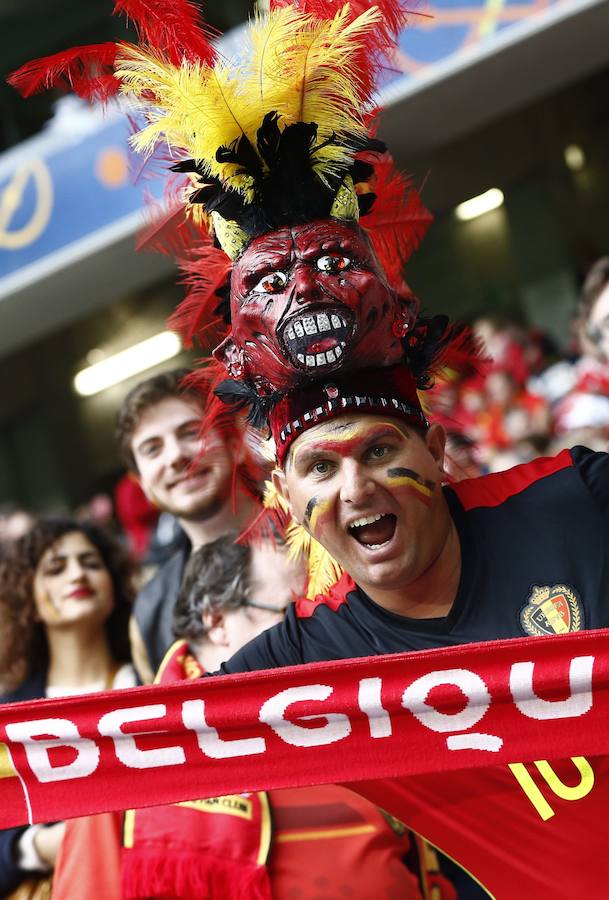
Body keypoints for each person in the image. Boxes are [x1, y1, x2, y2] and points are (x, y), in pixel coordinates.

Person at [53, 536, 446, 900]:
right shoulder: (120, 754)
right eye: (293, 612)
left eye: (322, 611)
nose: (320, 631)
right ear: (217, 621)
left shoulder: (360, 718)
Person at [0, 517, 136, 897]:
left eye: (91, 564)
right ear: (30, 601)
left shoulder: (155, 682)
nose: (77, 575)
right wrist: (36, 847)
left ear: (113, 587)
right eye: (56, 569)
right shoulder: (6, 718)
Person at [115, 368, 262, 681]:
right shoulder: (150, 611)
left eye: (191, 433)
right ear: (141, 483)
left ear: (234, 443)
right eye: (152, 448)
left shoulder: (318, 541)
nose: (175, 457)